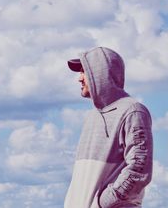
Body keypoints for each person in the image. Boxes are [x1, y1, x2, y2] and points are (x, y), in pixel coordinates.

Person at [64, 47, 153, 208]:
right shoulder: (92, 116)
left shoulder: (133, 111)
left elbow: (139, 168)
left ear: (101, 74)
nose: (79, 78)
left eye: (84, 71)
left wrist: (102, 203)